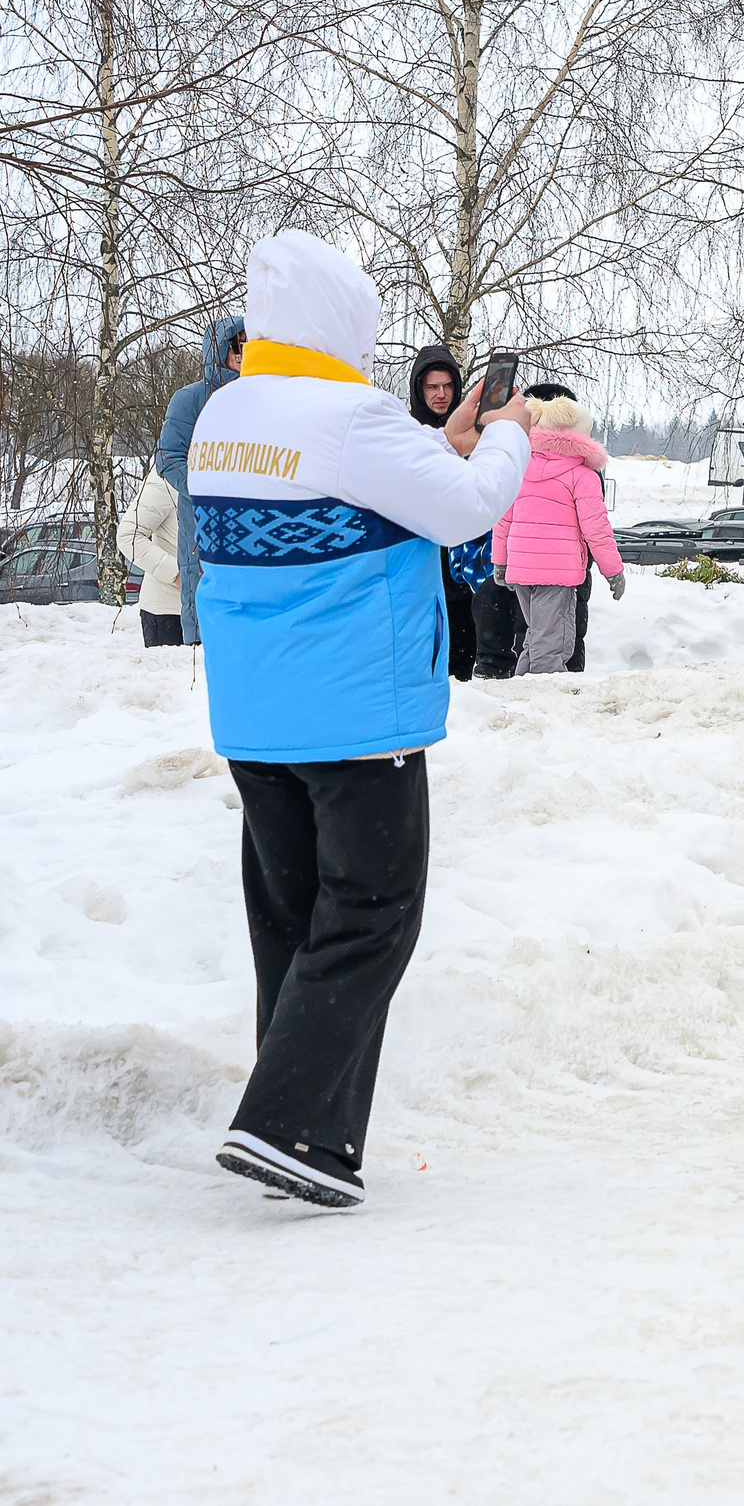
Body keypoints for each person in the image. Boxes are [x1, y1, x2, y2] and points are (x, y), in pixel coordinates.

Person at [192, 230, 531, 1208]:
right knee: (373, 914)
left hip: (256, 715)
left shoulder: (228, 410)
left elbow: (344, 490)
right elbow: (464, 510)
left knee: (292, 923)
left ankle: (312, 1144)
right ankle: (282, 1120)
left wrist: (435, 444)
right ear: (347, 320)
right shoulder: (352, 413)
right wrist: (508, 430)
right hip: (355, 709)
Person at [493, 393, 625, 675]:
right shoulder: (582, 475)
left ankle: (520, 695)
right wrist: (613, 571)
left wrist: (500, 560)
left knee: (535, 637)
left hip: (521, 569)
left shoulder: (520, 468)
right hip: (558, 572)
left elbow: (503, 519)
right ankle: (543, 704)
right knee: (551, 644)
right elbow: (596, 529)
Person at [155, 314, 245, 645]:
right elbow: (167, 456)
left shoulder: (261, 396)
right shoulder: (190, 398)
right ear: (218, 348)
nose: (243, 351)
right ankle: (197, 644)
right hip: (200, 518)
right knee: (201, 584)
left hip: (250, 517)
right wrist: (204, 488)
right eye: (236, 344)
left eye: (250, 344)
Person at [408, 344, 483, 679]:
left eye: (447, 386)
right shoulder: (406, 432)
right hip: (422, 549)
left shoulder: (474, 433)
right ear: (418, 389)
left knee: (467, 621)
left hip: (467, 548)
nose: (441, 394)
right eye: (432, 387)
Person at [115, 466, 185, 646]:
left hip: (213, 609)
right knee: (172, 675)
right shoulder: (167, 473)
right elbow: (129, 536)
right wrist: (178, 575)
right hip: (169, 613)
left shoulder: (222, 472)